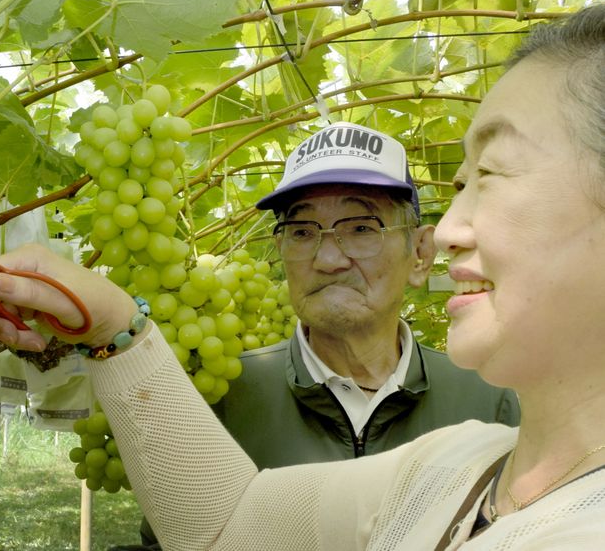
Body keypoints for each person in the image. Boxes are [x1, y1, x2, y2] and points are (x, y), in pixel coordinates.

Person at [0, 4, 605, 550]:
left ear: (414, 247)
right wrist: (115, 326)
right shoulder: (464, 464)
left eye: (491, 173)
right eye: (302, 229)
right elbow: (229, 524)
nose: (458, 222)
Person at [124, 121, 519, 551]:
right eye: (302, 232)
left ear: (421, 254)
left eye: (361, 228)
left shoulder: (488, 398)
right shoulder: (220, 396)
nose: (328, 258)